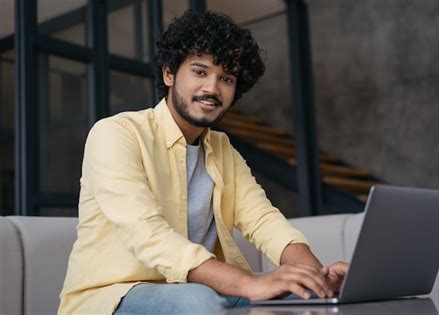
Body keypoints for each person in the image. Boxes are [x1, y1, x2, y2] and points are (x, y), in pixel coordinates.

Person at [58, 10, 348, 314]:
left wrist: (316, 280)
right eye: (200, 71)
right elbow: (148, 235)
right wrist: (249, 284)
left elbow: (265, 221)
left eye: (226, 78)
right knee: (199, 301)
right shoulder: (115, 134)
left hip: (200, 294)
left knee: (301, 298)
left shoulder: (223, 150)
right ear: (169, 74)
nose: (212, 88)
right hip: (112, 298)